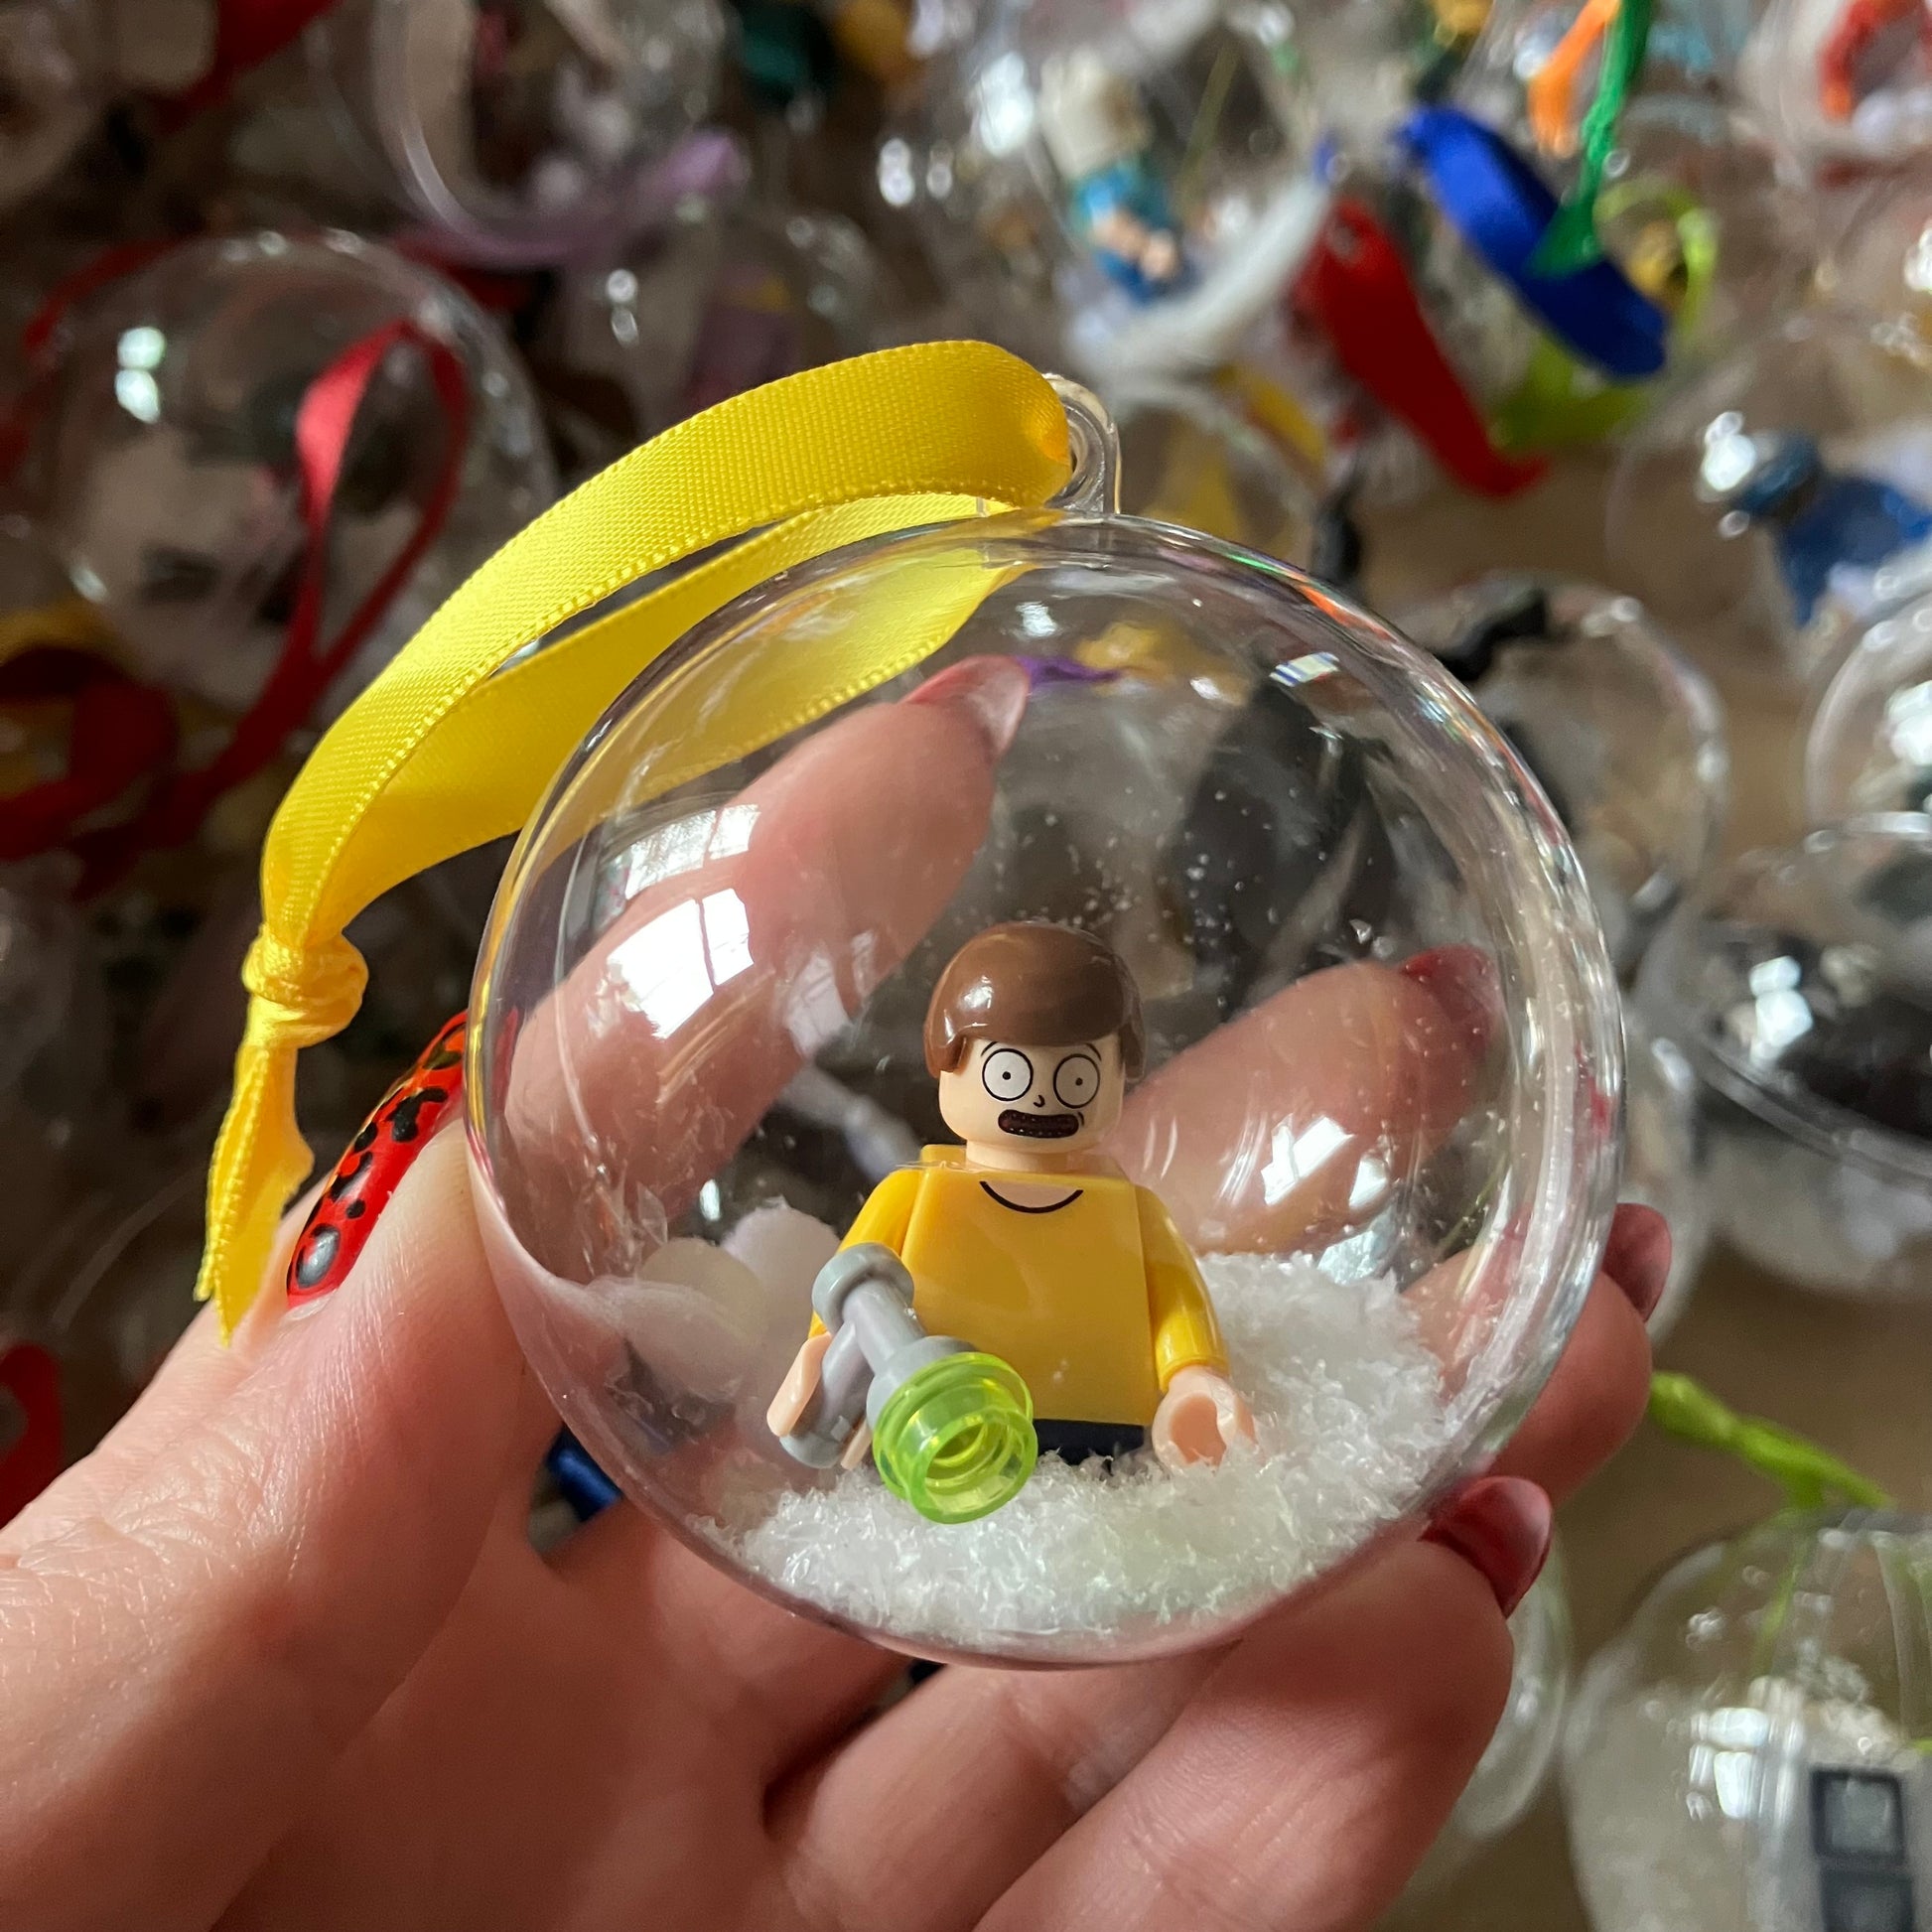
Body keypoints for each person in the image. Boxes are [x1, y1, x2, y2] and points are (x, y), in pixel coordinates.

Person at [0, 657, 1666, 1928]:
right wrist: (809, 1399)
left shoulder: (1129, 1221)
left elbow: (1178, 1305)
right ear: (949, 1076)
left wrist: (1191, 1384)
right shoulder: (916, 1206)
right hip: (964, 1449)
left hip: (1103, 1453)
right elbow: (851, 1310)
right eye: (1007, 1074)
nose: (1038, 1102)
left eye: (1068, 1076)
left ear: (1107, 1077)